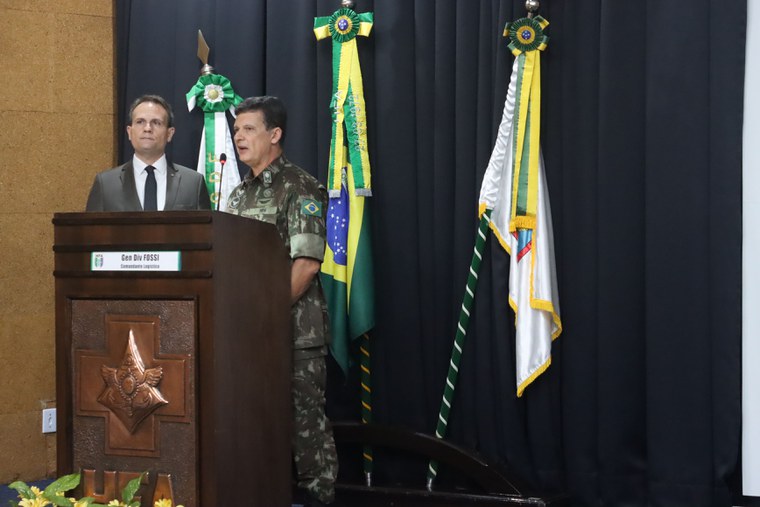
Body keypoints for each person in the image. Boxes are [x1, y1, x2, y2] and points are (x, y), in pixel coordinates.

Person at [226, 96, 338, 507]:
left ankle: (318, 499)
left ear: (274, 134)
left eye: (249, 129)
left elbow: (306, 265)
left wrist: (267, 317)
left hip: (294, 334)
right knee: (255, 423)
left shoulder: (299, 186)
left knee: (304, 426)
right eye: (236, 130)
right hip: (248, 336)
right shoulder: (238, 195)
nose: (239, 137)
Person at [86, 94, 211, 211]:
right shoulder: (105, 184)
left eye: (156, 123)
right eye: (140, 122)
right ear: (129, 132)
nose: (147, 129)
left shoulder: (193, 183)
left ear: (169, 133)